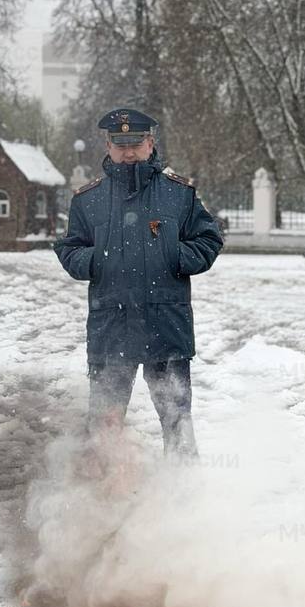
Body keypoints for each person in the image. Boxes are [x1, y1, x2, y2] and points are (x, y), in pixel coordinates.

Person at [54, 108, 222, 458]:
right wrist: (96, 260)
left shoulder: (179, 194)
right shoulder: (88, 200)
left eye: (135, 144)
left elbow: (209, 240)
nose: (128, 153)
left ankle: (184, 485)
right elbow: (69, 249)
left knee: (177, 420)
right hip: (111, 326)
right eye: (120, 145)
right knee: (104, 423)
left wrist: (174, 254)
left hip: (166, 324)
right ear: (108, 145)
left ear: (150, 143)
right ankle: (104, 487)